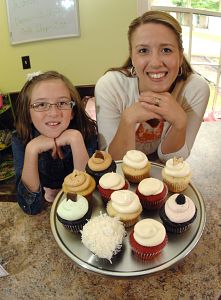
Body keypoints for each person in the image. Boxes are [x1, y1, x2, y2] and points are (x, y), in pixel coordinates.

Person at [95, 10, 210, 162]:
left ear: (180, 56)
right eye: (143, 50)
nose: (155, 63)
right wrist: (127, 121)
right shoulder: (110, 86)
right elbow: (112, 163)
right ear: (133, 57)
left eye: (166, 50)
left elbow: (173, 161)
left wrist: (180, 123)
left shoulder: (195, 89)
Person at [12, 71, 97, 215]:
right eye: (41, 104)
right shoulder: (21, 139)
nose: (53, 112)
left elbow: (88, 197)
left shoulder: (85, 132)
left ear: (73, 112)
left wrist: (76, 140)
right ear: (28, 114)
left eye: (62, 103)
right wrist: (32, 149)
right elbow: (30, 207)